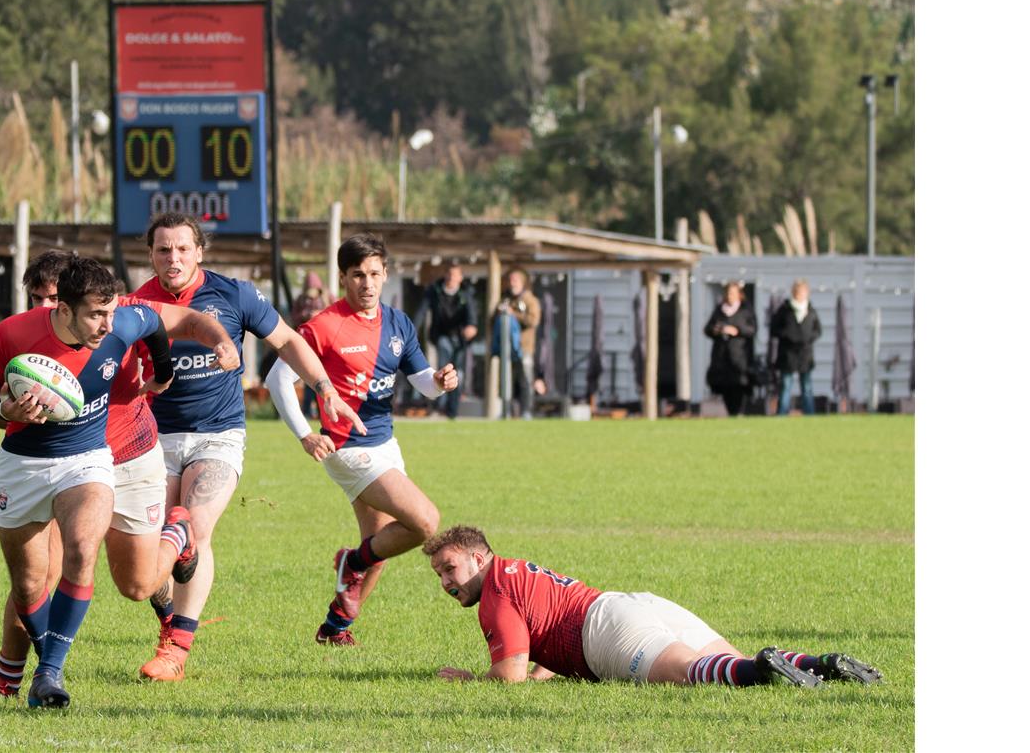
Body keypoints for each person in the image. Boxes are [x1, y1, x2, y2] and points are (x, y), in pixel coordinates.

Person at [0, 250, 240, 702]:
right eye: (37, 297)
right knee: (32, 578)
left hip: (126, 456)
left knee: (136, 585)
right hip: (50, 462)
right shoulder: (19, 336)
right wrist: (7, 411)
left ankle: (177, 533)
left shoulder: (123, 317)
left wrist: (165, 370)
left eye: (51, 295)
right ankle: (12, 680)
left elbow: (179, 323)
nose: (104, 322)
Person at [131, 212, 366, 681]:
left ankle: (177, 649)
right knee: (145, 556)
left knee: (193, 528)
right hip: (153, 438)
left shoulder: (233, 294)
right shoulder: (137, 305)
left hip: (218, 434)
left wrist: (325, 389)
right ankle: (167, 619)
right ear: (151, 255)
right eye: (162, 250)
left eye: (182, 248)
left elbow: (287, 340)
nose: (172, 258)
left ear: (199, 251)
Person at [266, 233, 457, 646]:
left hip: (385, 442)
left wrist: (440, 382)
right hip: (346, 446)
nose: (367, 283)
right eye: (357, 275)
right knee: (425, 522)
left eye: (374, 274)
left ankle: (334, 630)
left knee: (382, 545)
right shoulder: (323, 326)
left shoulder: (398, 322)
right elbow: (277, 377)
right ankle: (348, 562)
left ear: (385, 273)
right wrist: (304, 434)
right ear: (343, 278)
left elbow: (422, 382)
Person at [425, 525, 883, 688]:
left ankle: (763, 668)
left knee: (693, 674)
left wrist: (470, 679)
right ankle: (820, 663)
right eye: (440, 575)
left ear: (478, 557)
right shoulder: (515, 571)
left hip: (605, 631)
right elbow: (538, 647)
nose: (447, 582)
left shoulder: (495, 596)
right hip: (631, 603)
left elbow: (511, 676)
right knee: (728, 662)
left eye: (450, 568)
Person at [418, 263, 477, 419]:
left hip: (460, 339)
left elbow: (472, 315)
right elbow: (422, 312)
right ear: (445, 275)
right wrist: (410, 330)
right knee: (444, 370)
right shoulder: (434, 291)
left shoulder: (466, 293)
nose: (452, 278)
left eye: (455, 275)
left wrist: (472, 326)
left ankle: (452, 411)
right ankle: (440, 407)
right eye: (449, 274)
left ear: (460, 278)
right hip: (441, 336)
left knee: (458, 374)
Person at [703, 281, 758, 417]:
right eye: (728, 293)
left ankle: (739, 411)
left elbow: (752, 330)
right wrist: (717, 330)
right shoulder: (719, 310)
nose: (730, 295)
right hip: (722, 356)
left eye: (733, 293)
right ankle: (731, 412)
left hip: (739, 356)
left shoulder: (745, 310)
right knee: (725, 385)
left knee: (739, 384)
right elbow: (707, 329)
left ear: (739, 294)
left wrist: (737, 330)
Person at [771, 279, 823, 416]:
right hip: (788, 354)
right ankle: (782, 413)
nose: (800, 294)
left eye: (803, 292)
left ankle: (809, 414)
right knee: (786, 385)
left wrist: (807, 338)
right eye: (798, 292)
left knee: (806, 386)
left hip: (805, 354)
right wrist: (789, 335)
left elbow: (817, 331)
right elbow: (774, 329)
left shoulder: (811, 311)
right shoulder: (784, 310)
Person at [496, 267, 540, 419]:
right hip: (506, 348)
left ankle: (526, 411)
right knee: (507, 380)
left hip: (524, 347)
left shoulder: (530, 300)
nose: (511, 283)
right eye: (510, 280)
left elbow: (534, 320)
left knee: (525, 380)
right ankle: (507, 411)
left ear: (522, 282)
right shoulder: (505, 298)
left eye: (514, 280)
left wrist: (513, 314)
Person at [291, 271, 328, 417]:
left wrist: (320, 313)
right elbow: (294, 318)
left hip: (324, 341)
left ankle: (323, 410)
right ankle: (307, 410)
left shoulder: (326, 297)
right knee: (309, 377)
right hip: (307, 342)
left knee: (325, 376)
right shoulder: (300, 300)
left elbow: (335, 313)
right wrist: (307, 314)